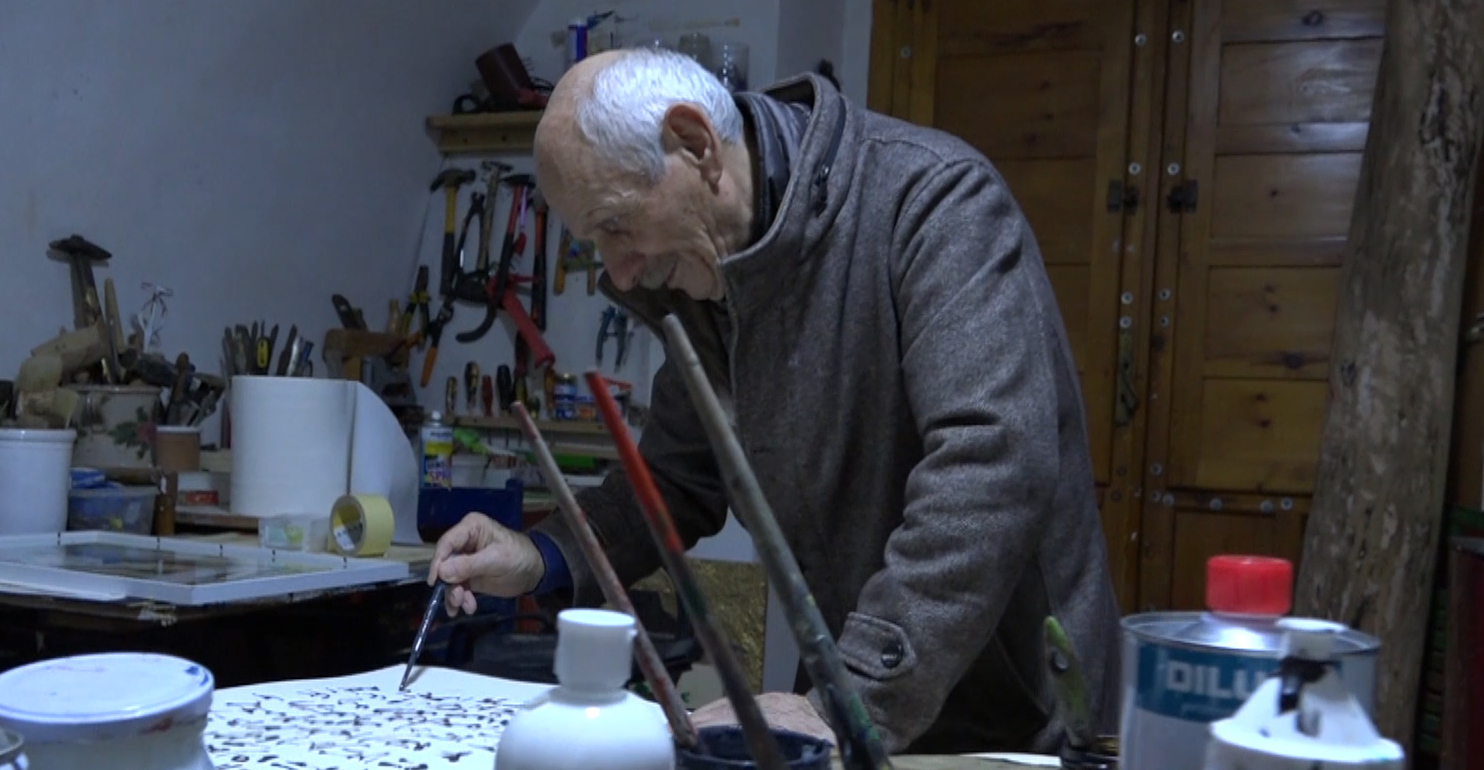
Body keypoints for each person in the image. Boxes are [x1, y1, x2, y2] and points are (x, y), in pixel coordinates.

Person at [429, 47, 1123, 755]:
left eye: (614, 226)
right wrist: (544, 553)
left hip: (1019, 719)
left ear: (695, 145)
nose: (618, 271)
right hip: (857, 699)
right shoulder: (710, 278)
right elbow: (673, 479)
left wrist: (849, 695)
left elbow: (990, 470)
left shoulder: (934, 203)